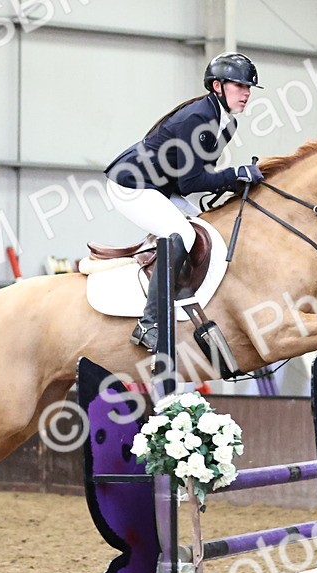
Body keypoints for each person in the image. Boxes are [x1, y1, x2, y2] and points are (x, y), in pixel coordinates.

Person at [104, 52, 265, 352]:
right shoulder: (197, 118)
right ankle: (148, 323)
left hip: (164, 187)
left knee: (207, 229)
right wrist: (235, 173)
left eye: (249, 88)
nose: (247, 93)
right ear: (217, 86)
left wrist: (234, 179)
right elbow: (192, 183)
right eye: (240, 86)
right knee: (182, 234)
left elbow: (190, 179)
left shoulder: (226, 123)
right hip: (131, 185)